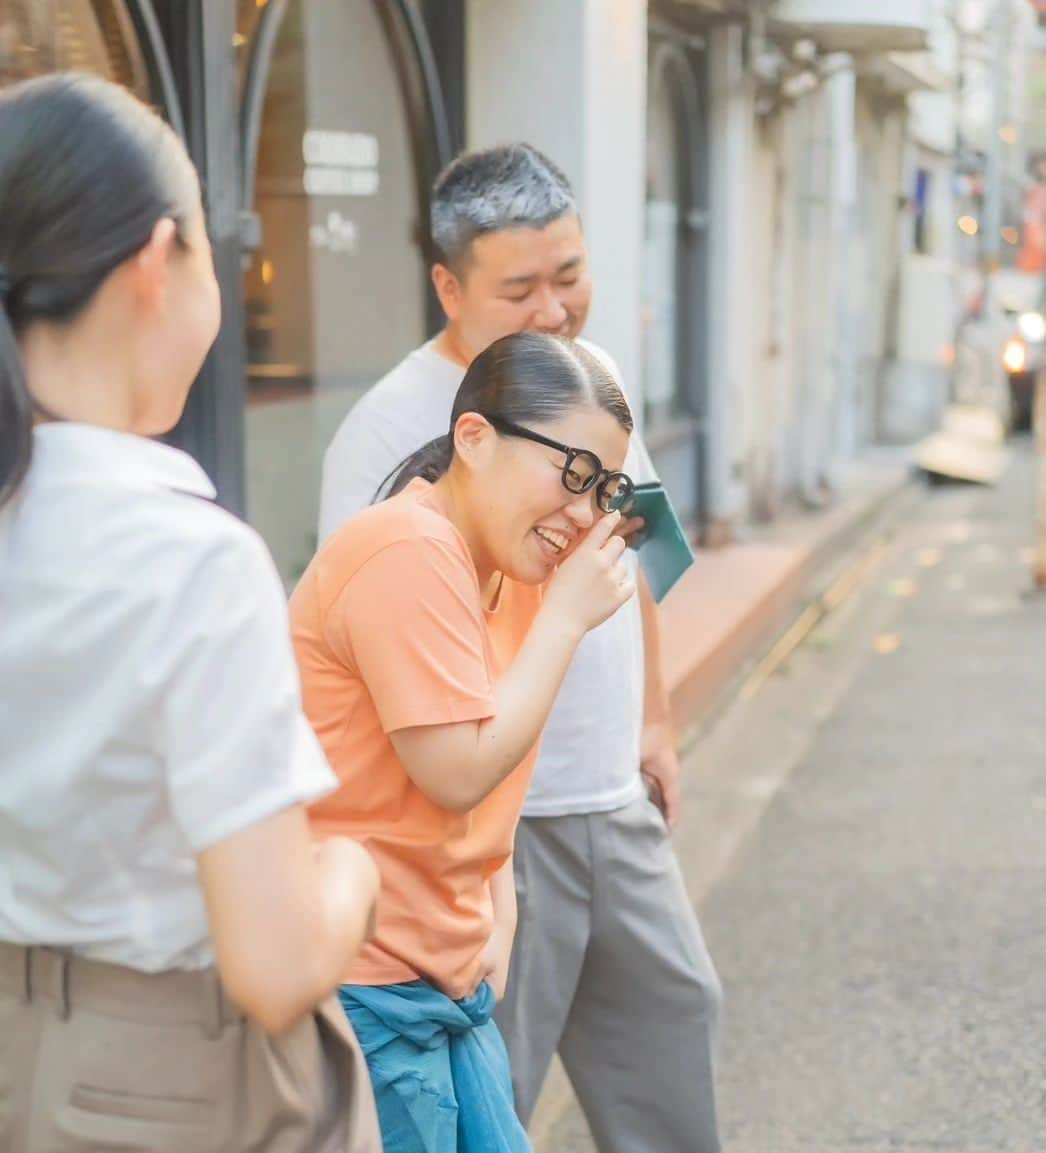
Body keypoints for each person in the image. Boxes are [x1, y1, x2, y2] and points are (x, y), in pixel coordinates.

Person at [0, 74, 380, 1153]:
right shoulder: (188, 561)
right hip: (164, 1078)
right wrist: (356, 875)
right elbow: (275, 967)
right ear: (152, 265)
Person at [320, 143, 723, 1153]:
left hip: (607, 797)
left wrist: (654, 723)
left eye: (570, 275)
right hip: (491, 832)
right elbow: (392, 675)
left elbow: (642, 562)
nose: (553, 310)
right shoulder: (383, 438)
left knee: (673, 1038)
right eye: (520, 287)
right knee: (492, 1089)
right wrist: (476, 879)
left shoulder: (597, 386)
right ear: (448, 285)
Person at [290, 332, 635, 1153]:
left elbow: (496, 762)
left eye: (605, 488)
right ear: (474, 438)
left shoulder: (512, 568)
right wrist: (564, 619)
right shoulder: (405, 549)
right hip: (364, 979)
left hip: (445, 971)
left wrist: (498, 904)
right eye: (573, 474)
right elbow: (455, 771)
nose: (584, 513)